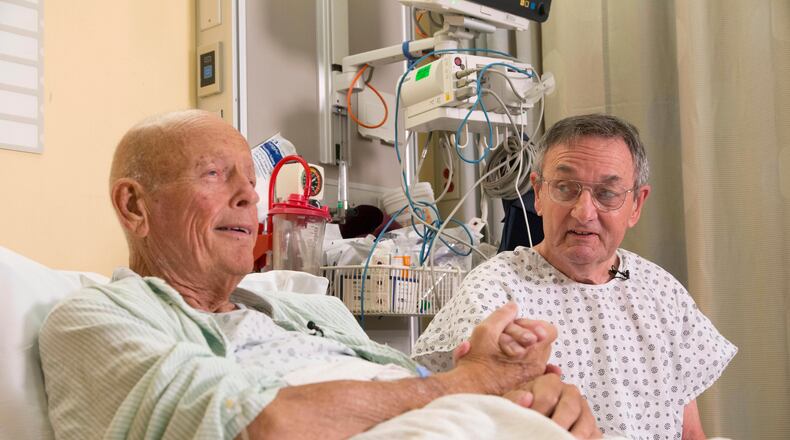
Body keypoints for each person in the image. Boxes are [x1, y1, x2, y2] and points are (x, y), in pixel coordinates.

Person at [38, 110, 602, 439]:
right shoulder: (96, 319)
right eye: (214, 174)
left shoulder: (312, 312)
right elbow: (267, 425)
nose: (246, 196)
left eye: (247, 180)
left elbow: (399, 383)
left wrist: (504, 377)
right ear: (134, 206)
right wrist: (469, 382)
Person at [414, 114, 737, 440]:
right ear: (538, 193)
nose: (584, 212)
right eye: (566, 188)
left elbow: (691, 434)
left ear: (636, 204)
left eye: (607, 193)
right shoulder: (495, 293)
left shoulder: (662, 293)